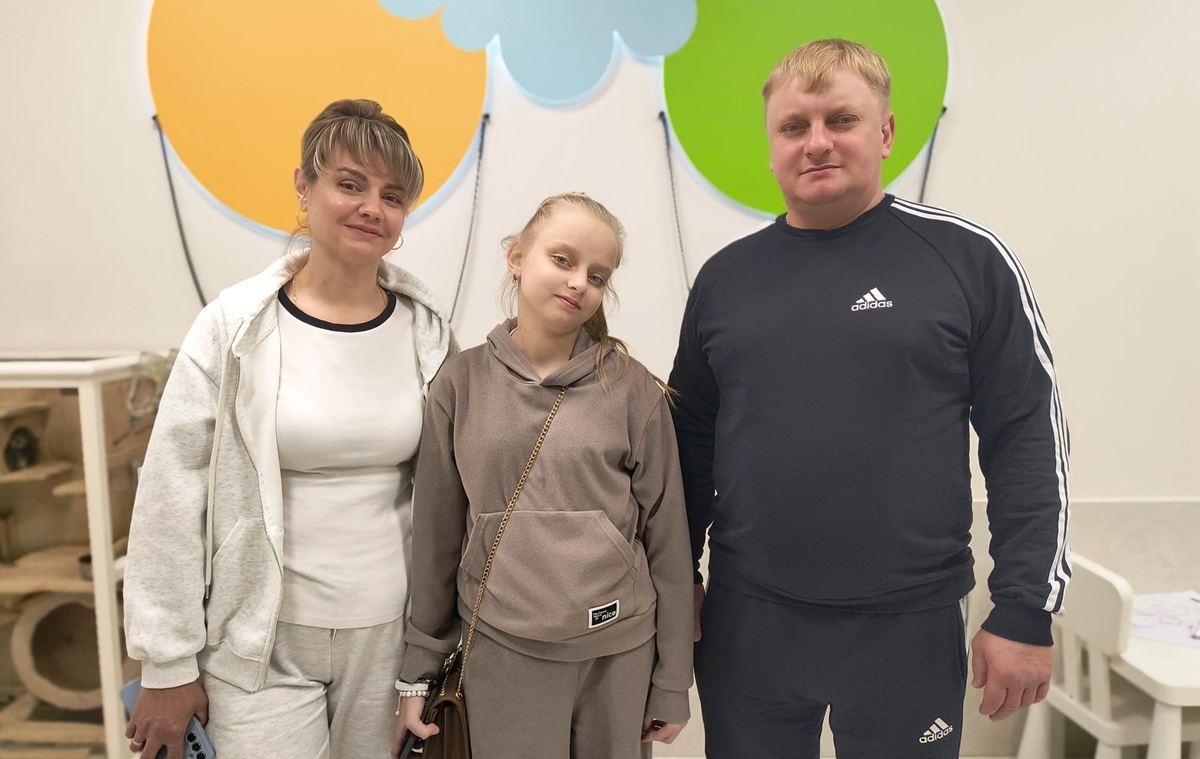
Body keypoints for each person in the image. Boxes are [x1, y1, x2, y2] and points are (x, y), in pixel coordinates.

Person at [669, 39, 1071, 758]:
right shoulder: (725, 281)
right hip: (750, 622)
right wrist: (677, 581)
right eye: (794, 126)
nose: (817, 142)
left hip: (909, 626)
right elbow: (687, 445)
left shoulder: (967, 261)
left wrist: (1024, 607)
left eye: (841, 120)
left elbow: (1026, 437)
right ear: (772, 146)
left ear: (885, 133)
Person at [122, 99, 457, 759]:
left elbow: (457, 493)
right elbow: (169, 496)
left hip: (388, 641)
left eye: (391, 196)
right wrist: (166, 662)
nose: (371, 207)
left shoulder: (429, 334)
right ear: (305, 187)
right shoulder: (232, 327)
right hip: (257, 643)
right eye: (350, 184)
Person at [394, 192, 693, 759]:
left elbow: (668, 542)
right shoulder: (459, 384)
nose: (580, 282)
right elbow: (435, 538)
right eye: (562, 259)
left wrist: (674, 680)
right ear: (516, 257)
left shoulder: (633, 390)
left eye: (598, 276)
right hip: (500, 649)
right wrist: (418, 673)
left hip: (618, 653)